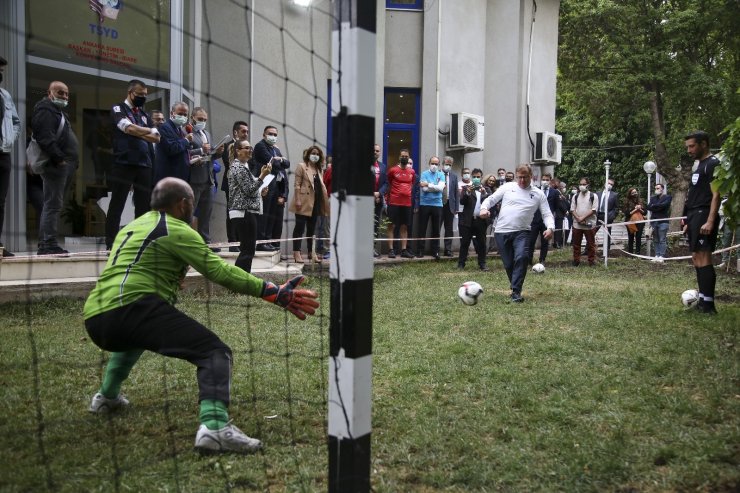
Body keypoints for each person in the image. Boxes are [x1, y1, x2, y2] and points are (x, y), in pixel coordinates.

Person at [84, 177, 319, 454]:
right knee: (214, 353)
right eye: (192, 203)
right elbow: (220, 272)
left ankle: (107, 397)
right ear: (183, 204)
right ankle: (215, 428)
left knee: (136, 337)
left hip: (96, 316)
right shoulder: (177, 230)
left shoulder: (133, 226)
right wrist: (273, 292)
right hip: (134, 306)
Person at [479, 163, 554, 303]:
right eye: (519, 177)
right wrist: (484, 208)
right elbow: (491, 199)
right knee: (508, 264)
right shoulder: (508, 187)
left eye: (525, 177)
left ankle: (516, 292)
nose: (522, 181)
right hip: (501, 231)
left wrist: (550, 228)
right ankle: (515, 285)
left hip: (522, 232)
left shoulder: (538, 194)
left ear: (531, 177)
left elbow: (547, 213)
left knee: (522, 257)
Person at [107, 79, 160, 250]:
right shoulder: (118, 109)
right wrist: (146, 131)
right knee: (118, 203)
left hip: (144, 165)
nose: (143, 97)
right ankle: (112, 243)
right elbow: (127, 128)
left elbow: (157, 137)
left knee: (143, 206)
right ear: (130, 93)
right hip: (123, 163)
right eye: (140, 94)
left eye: (145, 95)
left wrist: (138, 131)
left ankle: (139, 242)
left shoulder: (144, 115)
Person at [30, 81, 78, 255]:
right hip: (55, 166)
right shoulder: (45, 110)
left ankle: (47, 243)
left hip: (63, 167)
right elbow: (45, 137)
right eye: (60, 93)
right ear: (49, 93)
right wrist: (59, 159)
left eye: (66, 94)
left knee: (54, 205)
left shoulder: (57, 112)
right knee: (52, 205)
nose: (64, 97)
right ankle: (47, 244)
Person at [682, 130, 721, 314]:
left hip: (704, 213)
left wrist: (710, 220)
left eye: (692, 146)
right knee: (696, 257)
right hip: (694, 215)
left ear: (703, 144)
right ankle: (703, 301)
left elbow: (716, 195)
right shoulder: (699, 166)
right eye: (687, 146)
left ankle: (709, 305)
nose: (689, 150)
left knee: (704, 257)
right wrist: (688, 220)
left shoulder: (712, 164)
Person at [228, 139, 269, 272]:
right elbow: (249, 189)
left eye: (250, 147)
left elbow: (250, 190)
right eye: (246, 148)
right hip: (243, 212)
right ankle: (240, 280)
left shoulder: (243, 167)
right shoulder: (238, 167)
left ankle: (242, 279)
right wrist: (262, 176)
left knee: (248, 249)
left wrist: (260, 190)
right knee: (248, 249)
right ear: (237, 151)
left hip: (246, 211)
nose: (250, 150)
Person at [189, 107, 224, 250]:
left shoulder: (207, 134)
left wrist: (218, 153)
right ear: (192, 118)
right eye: (200, 119)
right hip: (194, 179)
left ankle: (205, 241)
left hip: (208, 180)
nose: (202, 122)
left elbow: (209, 156)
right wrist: (201, 150)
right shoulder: (188, 133)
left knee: (206, 213)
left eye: (204, 120)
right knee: (190, 212)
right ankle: (189, 242)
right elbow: (185, 153)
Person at [288, 146, 329, 263]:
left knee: (312, 229)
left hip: (315, 202)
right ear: (308, 154)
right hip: (303, 201)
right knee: (299, 228)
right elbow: (297, 184)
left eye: (317, 154)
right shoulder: (302, 166)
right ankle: (297, 253)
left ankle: (312, 252)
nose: (315, 155)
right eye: (313, 153)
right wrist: (297, 200)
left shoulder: (319, 168)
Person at [253, 126, 290, 251]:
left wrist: (278, 160)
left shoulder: (274, 149)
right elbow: (272, 163)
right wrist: (279, 161)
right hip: (264, 185)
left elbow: (287, 164)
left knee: (271, 215)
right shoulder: (260, 146)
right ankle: (261, 242)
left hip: (275, 186)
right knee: (264, 214)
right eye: (270, 134)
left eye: (275, 134)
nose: (273, 136)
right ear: (264, 134)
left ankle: (267, 241)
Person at [0, 56, 20, 257]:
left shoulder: (5, 95)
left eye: (2, 71)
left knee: (0, 201)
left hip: (3, 154)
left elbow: (16, 122)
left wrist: (8, 140)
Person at [221, 121, 249, 252]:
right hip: (231, 184)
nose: (246, 134)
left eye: (247, 132)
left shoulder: (248, 147)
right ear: (235, 132)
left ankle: (240, 240)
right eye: (243, 131)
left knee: (242, 214)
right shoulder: (227, 146)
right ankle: (232, 242)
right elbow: (229, 163)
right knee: (232, 213)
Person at [457, 168, 490, 271]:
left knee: (481, 243)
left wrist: (484, 193)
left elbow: (490, 203)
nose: (476, 178)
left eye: (478, 177)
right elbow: (462, 202)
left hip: (480, 220)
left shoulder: (486, 189)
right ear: (472, 177)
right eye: (474, 177)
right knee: (465, 242)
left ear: (481, 177)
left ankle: (482, 264)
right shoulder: (466, 188)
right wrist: (467, 192)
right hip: (468, 220)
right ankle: (461, 264)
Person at [385, 149, 416, 258]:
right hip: (393, 202)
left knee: (404, 227)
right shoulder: (392, 170)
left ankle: (403, 250)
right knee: (391, 226)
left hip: (407, 204)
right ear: (399, 157)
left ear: (408, 158)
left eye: (406, 156)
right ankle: (391, 250)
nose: (404, 158)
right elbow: (388, 183)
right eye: (402, 156)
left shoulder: (412, 172)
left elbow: (411, 185)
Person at [153, 102, 192, 184]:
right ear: (172, 113)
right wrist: (186, 140)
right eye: (180, 114)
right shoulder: (165, 127)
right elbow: (171, 148)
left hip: (179, 177)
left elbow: (180, 150)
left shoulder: (178, 129)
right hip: (169, 177)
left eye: (185, 115)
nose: (183, 117)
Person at [414, 156, 445, 259]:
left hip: (437, 204)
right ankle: (420, 251)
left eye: (436, 164)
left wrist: (428, 184)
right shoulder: (424, 174)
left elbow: (440, 189)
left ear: (439, 165)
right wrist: (434, 186)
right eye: (433, 163)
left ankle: (435, 251)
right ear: (429, 163)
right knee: (422, 228)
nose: (434, 165)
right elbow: (425, 190)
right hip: (425, 204)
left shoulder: (441, 174)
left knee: (436, 229)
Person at [527, 173, 558, 265]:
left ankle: (542, 260)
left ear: (550, 180)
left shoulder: (554, 192)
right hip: (534, 220)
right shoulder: (535, 190)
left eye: (547, 179)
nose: (545, 181)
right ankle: (529, 260)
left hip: (546, 222)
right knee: (531, 241)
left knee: (545, 242)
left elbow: (556, 206)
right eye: (543, 179)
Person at [569, 177, 598, 266]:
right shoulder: (575, 196)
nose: (582, 186)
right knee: (576, 244)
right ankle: (576, 260)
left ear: (588, 185)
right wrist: (578, 218)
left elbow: (593, 210)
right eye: (580, 184)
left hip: (589, 224)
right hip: (577, 224)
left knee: (590, 244)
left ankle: (591, 261)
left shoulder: (593, 196)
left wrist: (583, 218)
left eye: (584, 184)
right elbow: (572, 209)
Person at [647, 183, 672, 262]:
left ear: (662, 189)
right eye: (655, 188)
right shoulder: (653, 198)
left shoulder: (668, 197)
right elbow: (648, 207)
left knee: (662, 239)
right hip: (654, 221)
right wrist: (657, 206)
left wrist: (654, 206)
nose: (656, 190)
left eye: (658, 188)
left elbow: (664, 205)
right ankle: (657, 255)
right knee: (655, 239)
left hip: (663, 221)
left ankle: (662, 256)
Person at [440, 155, 459, 257]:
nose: (448, 166)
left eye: (450, 165)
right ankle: (436, 249)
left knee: (449, 229)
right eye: (446, 164)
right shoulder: (438, 174)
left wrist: (456, 208)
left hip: (450, 206)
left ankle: (448, 249)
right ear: (442, 164)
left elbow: (456, 193)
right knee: (436, 227)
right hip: (439, 204)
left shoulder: (454, 176)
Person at [596, 178, 619, 254]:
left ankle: (607, 251)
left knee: (607, 233)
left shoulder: (614, 195)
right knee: (591, 232)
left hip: (608, 216)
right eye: (608, 183)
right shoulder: (598, 194)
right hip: (598, 215)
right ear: (605, 184)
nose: (610, 185)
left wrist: (612, 216)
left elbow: (616, 207)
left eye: (611, 184)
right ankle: (587, 250)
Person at [372, 144, 387, 257]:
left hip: (378, 200)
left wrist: (379, 194)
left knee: (375, 225)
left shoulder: (383, 167)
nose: (375, 152)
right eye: (374, 150)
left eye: (377, 151)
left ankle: (373, 248)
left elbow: (386, 183)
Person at [623, 187, 646, 255]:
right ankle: (630, 253)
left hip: (640, 221)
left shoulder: (641, 201)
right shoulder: (626, 201)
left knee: (638, 237)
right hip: (630, 221)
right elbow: (627, 213)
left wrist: (640, 208)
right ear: (630, 194)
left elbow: (645, 212)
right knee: (631, 237)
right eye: (633, 193)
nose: (634, 193)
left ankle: (638, 253)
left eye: (635, 192)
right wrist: (635, 209)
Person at [718, 197, 738, 269]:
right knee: (726, 243)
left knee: (739, 244)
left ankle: (739, 265)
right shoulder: (724, 202)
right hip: (728, 224)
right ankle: (724, 262)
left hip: (739, 224)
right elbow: (720, 212)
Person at [551, 177, 570, 248]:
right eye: (557, 183)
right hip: (558, 214)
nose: (557, 184)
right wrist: (565, 211)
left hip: (560, 214)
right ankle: (556, 243)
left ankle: (557, 242)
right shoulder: (556, 192)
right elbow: (559, 203)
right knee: (558, 229)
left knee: (559, 229)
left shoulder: (560, 193)